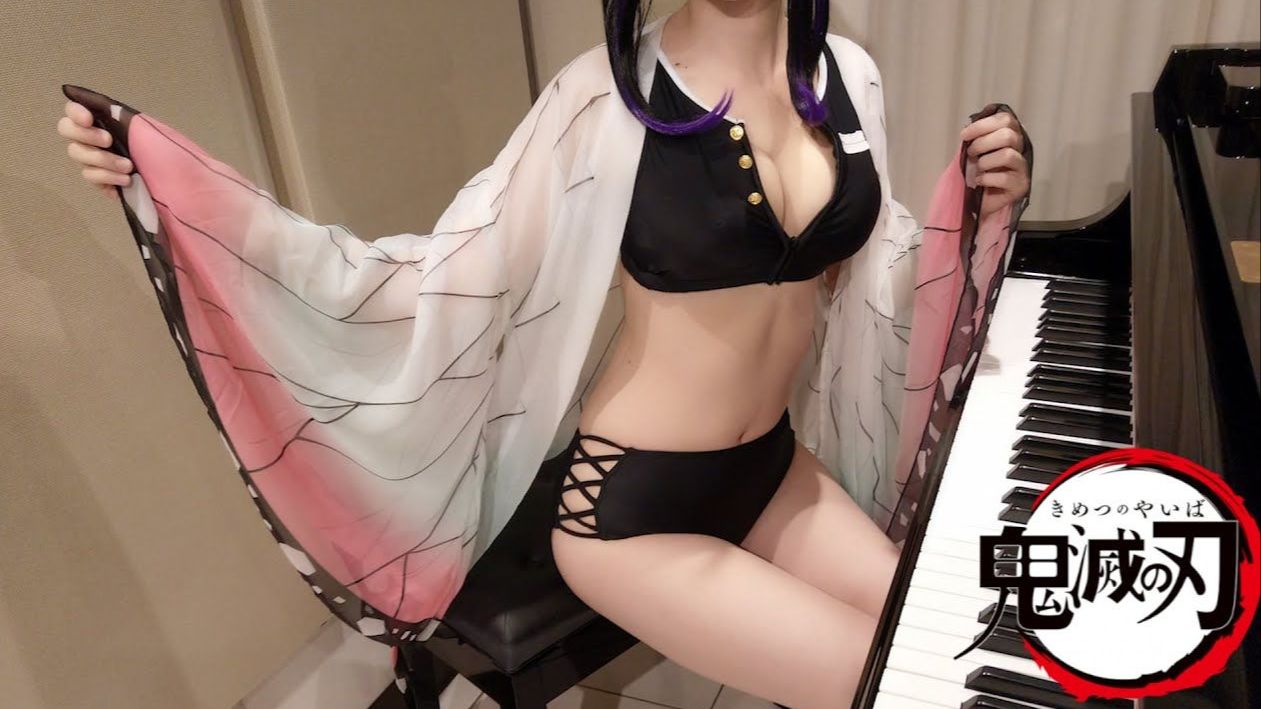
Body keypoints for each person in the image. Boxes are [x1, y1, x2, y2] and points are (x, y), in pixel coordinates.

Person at [57, 2, 1029, 706]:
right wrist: (187, 204)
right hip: (632, 511)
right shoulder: (600, 100)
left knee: (972, 633)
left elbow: (879, 278)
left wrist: (984, 201)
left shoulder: (847, 76)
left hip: (773, 470)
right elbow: (438, 282)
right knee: (910, 679)